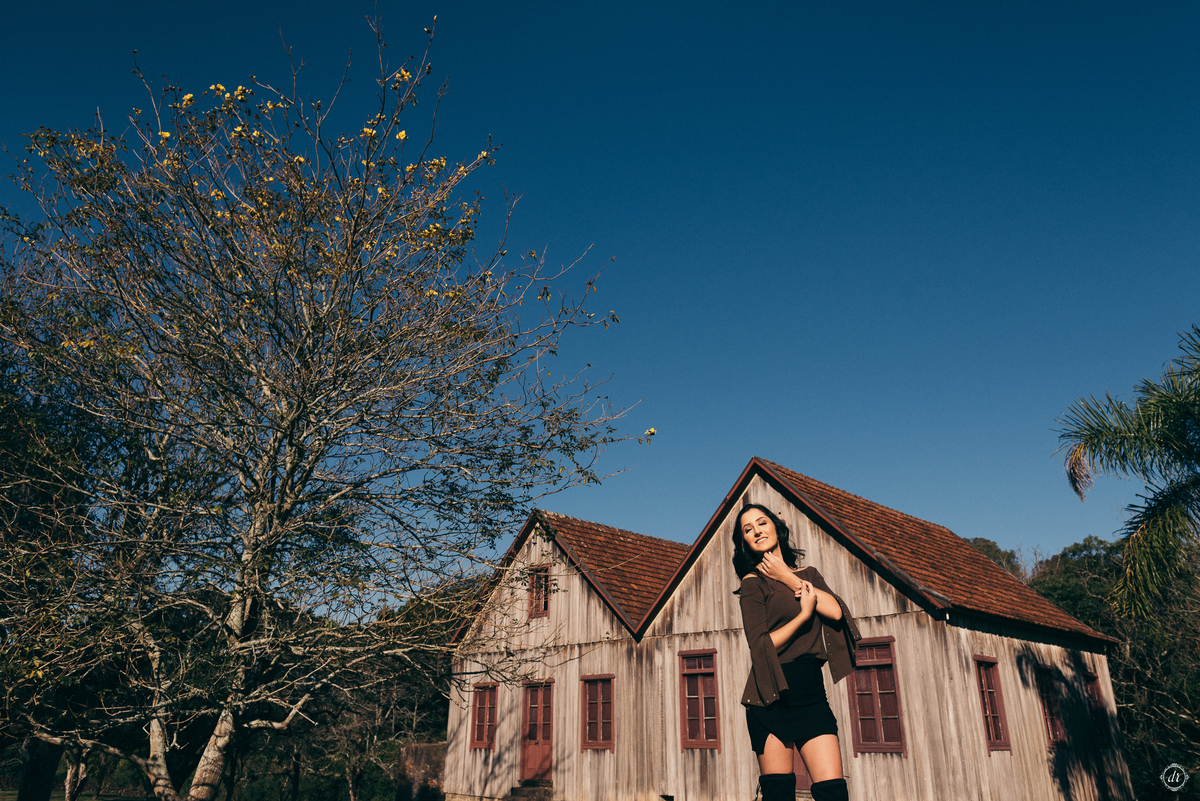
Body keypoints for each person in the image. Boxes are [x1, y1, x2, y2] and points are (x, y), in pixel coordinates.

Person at [733, 503, 860, 801]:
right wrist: (803, 617)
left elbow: (836, 612)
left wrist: (785, 575)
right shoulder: (752, 584)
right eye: (748, 529)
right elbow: (760, 645)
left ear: (777, 527)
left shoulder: (808, 575)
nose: (756, 531)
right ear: (745, 542)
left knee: (833, 793)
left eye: (761, 523)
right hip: (771, 696)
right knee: (779, 795)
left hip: (811, 694)